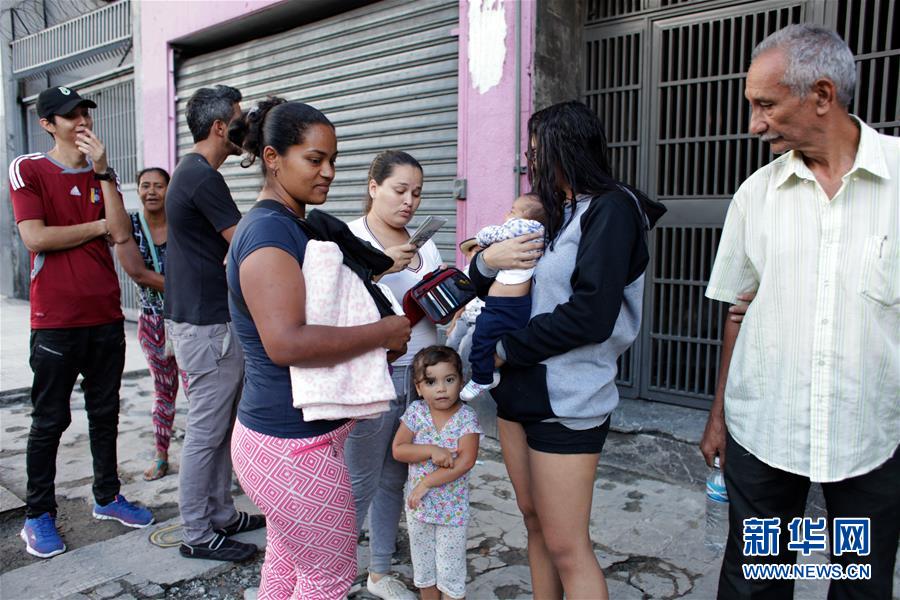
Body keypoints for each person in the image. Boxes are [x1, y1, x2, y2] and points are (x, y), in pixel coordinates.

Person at [699, 24, 899, 600]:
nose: (754, 123)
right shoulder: (755, 197)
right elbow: (736, 313)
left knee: (860, 581)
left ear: (822, 95)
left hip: (873, 435)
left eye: (765, 105)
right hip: (767, 432)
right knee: (757, 579)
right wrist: (718, 416)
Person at [467, 100, 662, 599]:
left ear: (569, 148)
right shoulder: (552, 212)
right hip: (518, 393)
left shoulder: (613, 209)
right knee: (533, 522)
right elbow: (494, 279)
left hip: (568, 399)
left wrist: (506, 349)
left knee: (568, 546)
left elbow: (591, 315)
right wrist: (487, 259)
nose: (531, 163)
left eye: (539, 152)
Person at [226, 97, 411, 599]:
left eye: (333, 160)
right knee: (326, 580)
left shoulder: (294, 224)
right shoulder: (268, 234)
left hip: (291, 441)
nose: (328, 171)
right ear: (272, 157)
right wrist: (384, 332)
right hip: (291, 446)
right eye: (314, 159)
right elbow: (286, 343)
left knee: (288, 567)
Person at [9, 86, 154, 558]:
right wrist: (96, 228)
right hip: (55, 321)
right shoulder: (28, 169)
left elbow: (121, 231)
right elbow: (36, 237)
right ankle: (38, 515)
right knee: (49, 419)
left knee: (105, 414)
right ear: (47, 123)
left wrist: (104, 173)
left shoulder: (101, 176)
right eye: (69, 115)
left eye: (84, 113)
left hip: (105, 316)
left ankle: (108, 497)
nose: (81, 121)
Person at [164, 84, 264, 561]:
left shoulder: (192, 172)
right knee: (206, 431)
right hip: (208, 326)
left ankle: (220, 514)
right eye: (241, 120)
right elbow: (244, 243)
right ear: (221, 127)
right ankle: (197, 533)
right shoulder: (202, 177)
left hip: (204, 321)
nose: (245, 128)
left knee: (220, 426)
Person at [345, 149, 443, 600]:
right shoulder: (349, 238)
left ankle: (379, 572)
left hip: (420, 378)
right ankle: (330, 575)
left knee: (393, 477)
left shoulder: (425, 243)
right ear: (373, 186)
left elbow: (435, 310)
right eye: (400, 190)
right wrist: (382, 263)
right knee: (358, 480)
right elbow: (341, 307)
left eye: (417, 193)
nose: (409, 202)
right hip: (374, 375)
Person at [392, 346, 482, 600]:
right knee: (424, 570)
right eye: (431, 382)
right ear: (419, 388)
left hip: (451, 513)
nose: (441, 388)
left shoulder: (467, 418)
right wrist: (431, 450)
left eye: (449, 380)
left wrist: (426, 483)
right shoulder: (416, 413)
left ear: (460, 382)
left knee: (450, 573)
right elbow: (399, 449)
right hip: (418, 510)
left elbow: (465, 461)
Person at [115, 167, 182, 481]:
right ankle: (161, 455)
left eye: (159, 186)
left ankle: (214, 457)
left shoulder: (182, 223)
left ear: (169, 190)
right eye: (145, 185)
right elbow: (138, 273)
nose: (152, 191)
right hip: (154, 323)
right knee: (164, 391)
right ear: (138, 190)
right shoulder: (129, 225)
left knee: (203, 394)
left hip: (188, 320)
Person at [459, 192, 546, 401]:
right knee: (487, 337)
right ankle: (491, 372)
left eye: (513, 210)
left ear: (525, 216)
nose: (508, 214)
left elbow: (495, 233)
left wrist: (482, 237)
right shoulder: (535, 235)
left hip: (506, 305)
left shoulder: (524, 228)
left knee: (480, 338)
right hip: (506, 305)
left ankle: (481, 377)